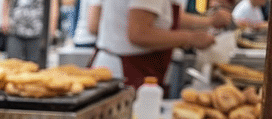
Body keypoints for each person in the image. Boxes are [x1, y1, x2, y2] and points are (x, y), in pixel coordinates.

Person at [94, 0, 231, 88]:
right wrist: (191, 38)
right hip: (125, 74)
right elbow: (139, 33)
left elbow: (165, 17)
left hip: (135, 70)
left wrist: (209, 22)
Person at [1, 0, 58, 66]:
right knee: (13, 64)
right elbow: (6, 1)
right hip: (15, 30)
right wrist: (4, 17)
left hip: (38, 33)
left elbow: (53, 4)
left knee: (35, 66)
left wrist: (52, 27)